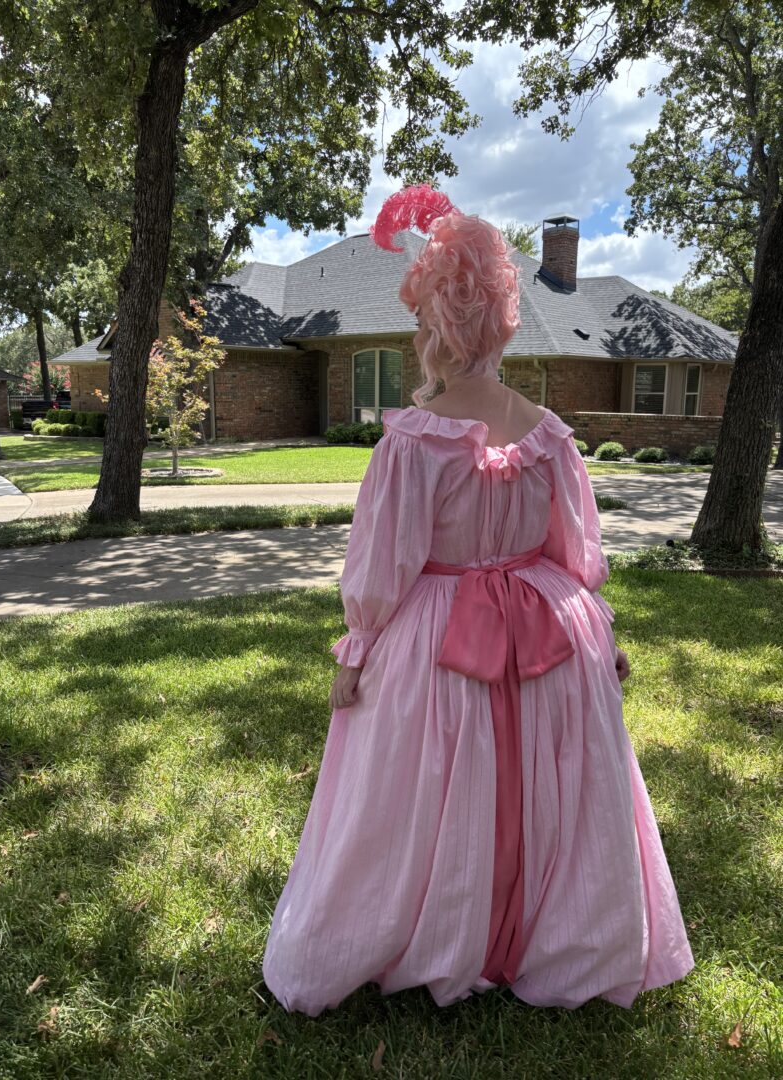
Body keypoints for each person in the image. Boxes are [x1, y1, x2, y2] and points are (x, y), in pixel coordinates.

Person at [262, 185, 694, 1016]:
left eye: (426, 322)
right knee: (546, 779)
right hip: (549, 625)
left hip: (439, 631)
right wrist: (599, 638)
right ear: (498, 317)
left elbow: (385, 565)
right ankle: (546, 929)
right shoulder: (548, 431)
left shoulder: (413, 439)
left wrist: (358, 651)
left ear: (439, 326)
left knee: (424, 784)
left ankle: (437, 922)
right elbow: (575, 553)